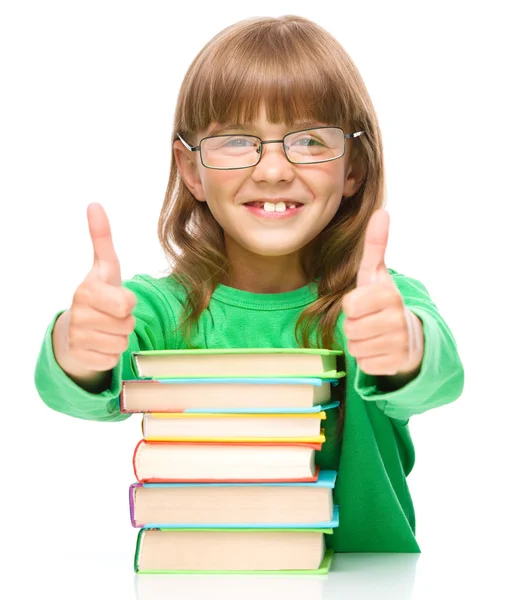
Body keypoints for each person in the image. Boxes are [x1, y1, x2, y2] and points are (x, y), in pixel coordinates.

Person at [34, 14, 464, 553]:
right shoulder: (160, 310)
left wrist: (406, 347)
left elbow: (440, 376)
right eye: (238, 141)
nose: (273, 171)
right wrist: (79, 344)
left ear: (352, 168)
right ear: (191, 170)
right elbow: (78, 391)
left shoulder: (377, 305)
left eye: (308, 140)